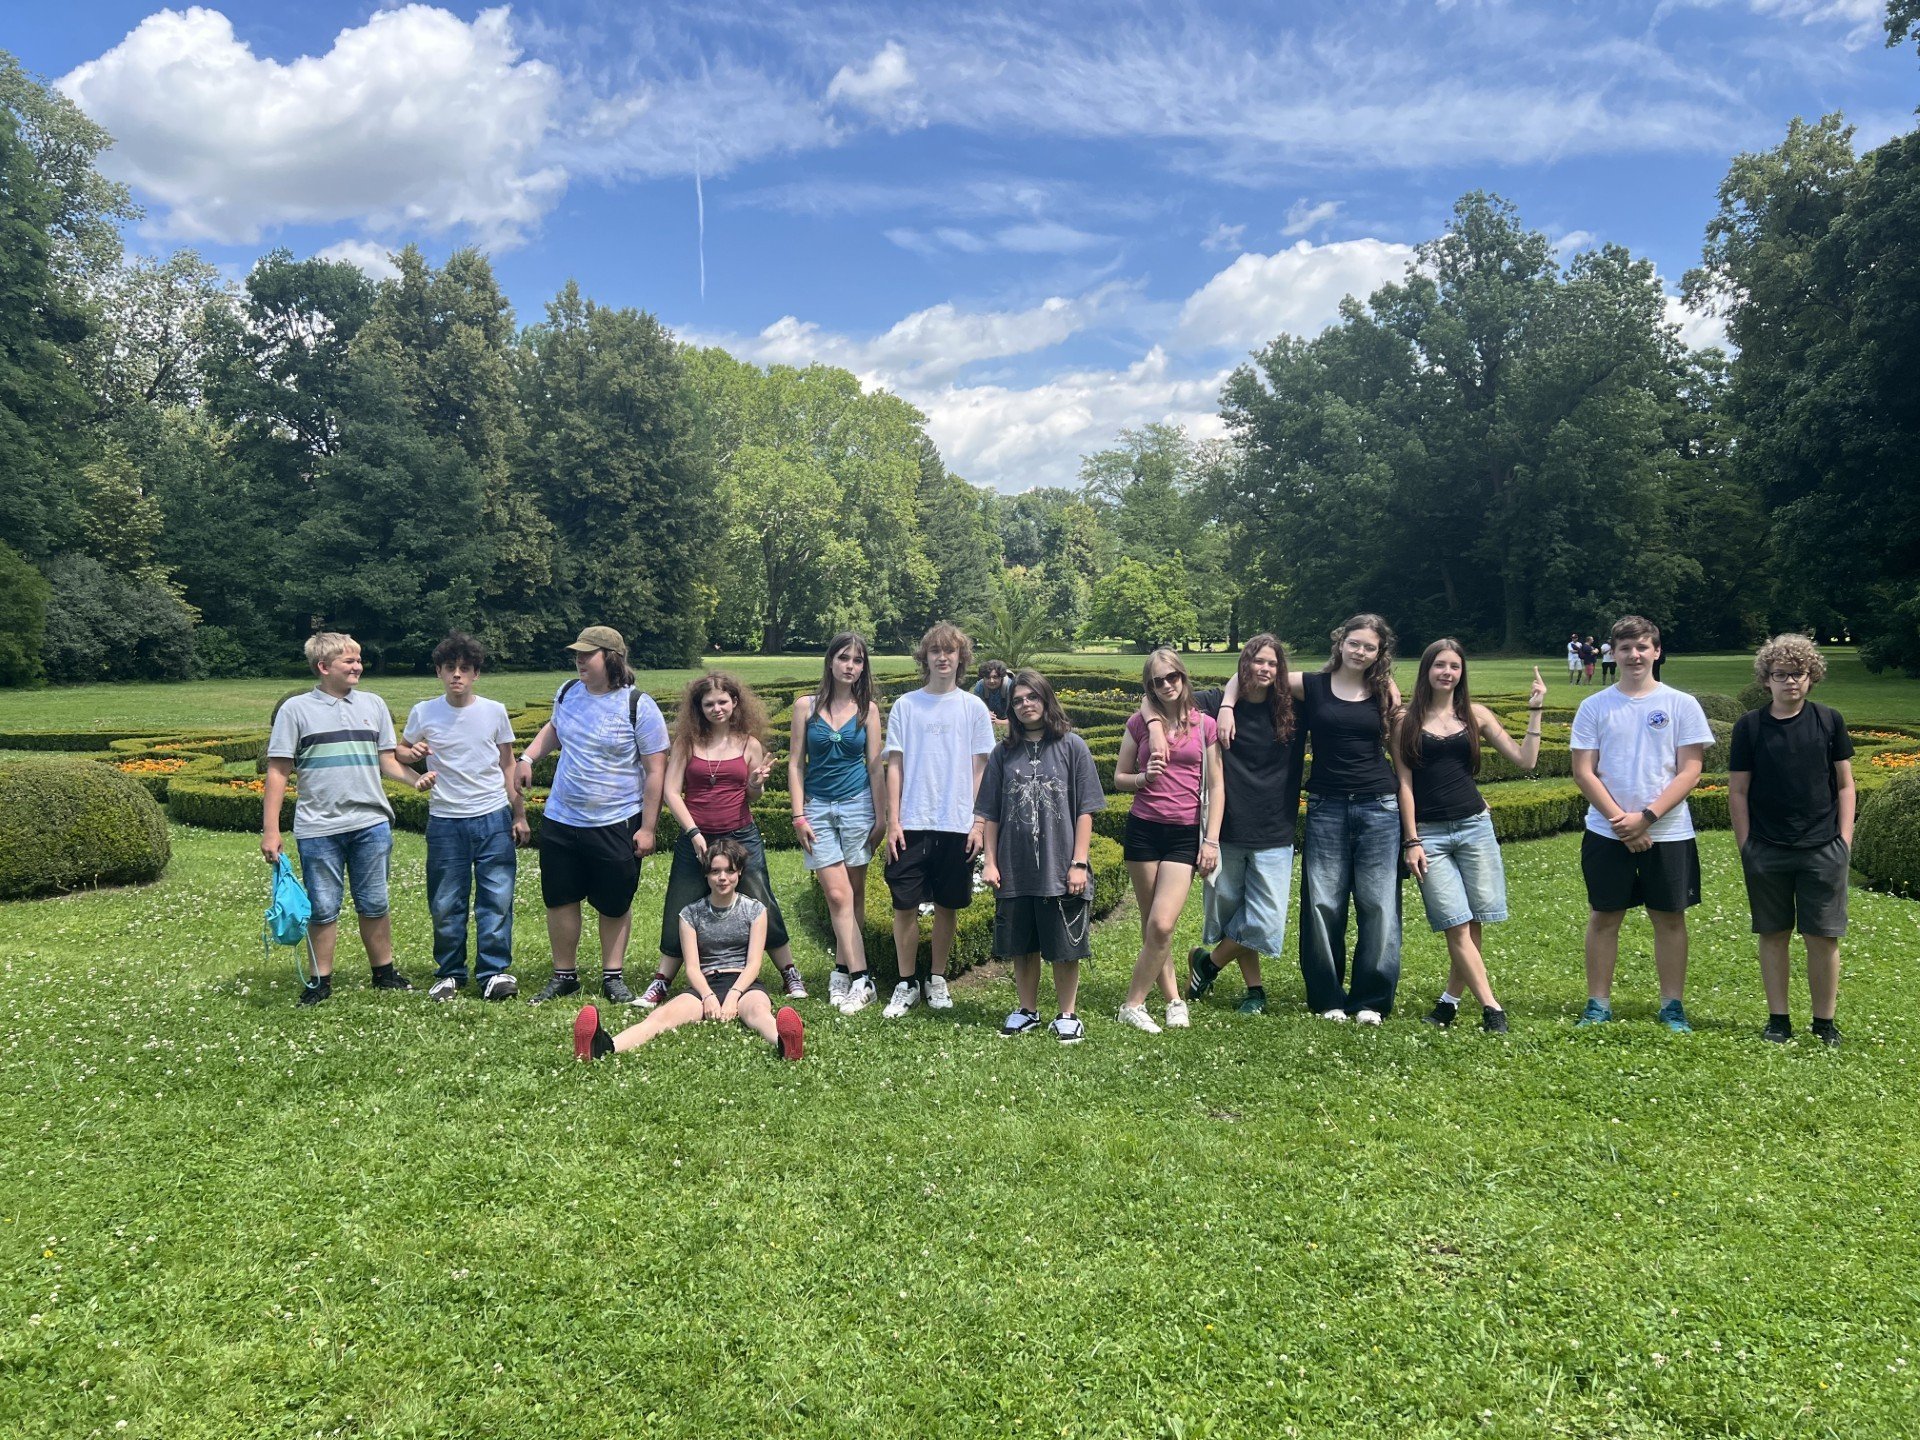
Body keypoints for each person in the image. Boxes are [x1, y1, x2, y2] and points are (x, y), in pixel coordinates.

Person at [1220, 614, 1405, 1022]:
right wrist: (1227, 707)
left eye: (1369, 647)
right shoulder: (1313, 685)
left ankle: (1371, 1000)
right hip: (1326, 806)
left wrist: (1390, 684)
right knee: (1322, 904)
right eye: (1354, 643)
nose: (1360, 652)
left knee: (1379, 905)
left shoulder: (1382, 691)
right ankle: (1327, 997)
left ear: (1379, 653)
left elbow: (1400, 753)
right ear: (1340, 642)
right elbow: (1251, 673)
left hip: (1378, 806)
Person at [262, 631, 435, 1006]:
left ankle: (384, 974)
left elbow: (387, 760)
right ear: (324, 667)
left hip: (370, 823)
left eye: (358, 660)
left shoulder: (374, 704)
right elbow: (278, 771)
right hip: (318, 827)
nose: (358, 666)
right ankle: (319, 982)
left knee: (374, 902)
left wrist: (415, 779)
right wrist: (271, 831)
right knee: (323, 908)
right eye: (349, 661)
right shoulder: (295, 710)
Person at [1569, 615, 1713, 1032]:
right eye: (1625, 648)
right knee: (1604, 916)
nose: (1634, 655)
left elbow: (1690, 770)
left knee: (1669, 918)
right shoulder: (1595, 706)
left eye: (1642, 647)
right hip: (1606, 831)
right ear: (1613, 653)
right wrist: (1622, 823)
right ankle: (1598, 1004)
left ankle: (1672, 1006)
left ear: (1657, 651)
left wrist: (1646, 818)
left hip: (1668, 831)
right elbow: (1583, 771)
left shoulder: (1681, 704)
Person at [1394, 646, 1547, 1033]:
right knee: (1455, 922)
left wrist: (1535, 711)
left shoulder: (1476, 715)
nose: (1447, 672)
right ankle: (1492, 1008)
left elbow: (1525, 760)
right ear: (1426, 669)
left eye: (1454, 666)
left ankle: (1448, 1004)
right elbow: (1404, 785)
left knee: (1473, 921)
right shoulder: (1405, 721)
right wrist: (1411, 840)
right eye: (1439, 665)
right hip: (1429, 834)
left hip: (1475, 826)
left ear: (1462, 672)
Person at [514, 626, 669, 1007]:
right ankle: (564, 975)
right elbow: (555, 728)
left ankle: (612, 976)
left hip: (616, 820)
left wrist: (648, 827)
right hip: (562, 817)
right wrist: (528, 757)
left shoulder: (638, 705)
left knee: (614, 901)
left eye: (587, 654)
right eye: (577, 654)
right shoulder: (568, 692)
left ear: (611, 659)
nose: (579, 660)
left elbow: (655, 771)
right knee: (560, 898)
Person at [639, 672, 806, 1006]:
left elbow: (752, 796)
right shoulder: (687, 743)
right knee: (680, 903)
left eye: (722, 702)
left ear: (735, 702)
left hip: (740, 835)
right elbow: (671, 791)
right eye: (708, 704)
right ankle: (661, 981)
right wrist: (693, 832)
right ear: (698, 708)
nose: (716, 709)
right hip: (696, 837)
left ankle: (789, 972)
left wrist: (755, 783)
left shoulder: (749, 744)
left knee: (762, 899)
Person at [1728, 635, 1855, 1046]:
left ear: (1811, 676)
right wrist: (1746, 844)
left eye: (1798, 674)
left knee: (1823, 936)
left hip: (1823, 846)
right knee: (1774, 934)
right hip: (1766, 847)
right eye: (1780, 675)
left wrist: (1844, 840)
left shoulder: (1829, 720)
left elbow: (1845, 785)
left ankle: (1824, 1023)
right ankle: (1778, 1020)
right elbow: (1738, 791)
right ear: (1766, 679)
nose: (1790, 682)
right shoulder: (1750, 726)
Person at [573, 838, 804, 1062]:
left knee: (759, 1013)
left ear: (740, 872)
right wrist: (708, 997)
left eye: (730, 871)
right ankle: (604, 1046)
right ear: (706, 874)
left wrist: (734, 995)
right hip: (704, 984)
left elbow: (754, 963)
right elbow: (692, 967)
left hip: (744, 984)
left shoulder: (755, 910)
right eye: (715, 871)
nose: (723, 877)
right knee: (661, 1017)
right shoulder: (690, 914)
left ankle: (785, 1044)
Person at [976, 669, 1106, 1043]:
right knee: (1022, 944)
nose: (1025, 705)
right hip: (1015, 866)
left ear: (1046, 699)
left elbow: (1085, 810)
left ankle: (1067, 1014)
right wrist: (990, 861)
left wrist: (1079, 862)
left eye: (1032, 697)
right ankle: (1027, 1009)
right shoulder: (1003, 753)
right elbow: (990, 813)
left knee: (1065, 946)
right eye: (1017, 700)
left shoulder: (1073, 747)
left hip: (1061, 865)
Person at [399, 631, 528, 1003]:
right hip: (445, 820)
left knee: (497, 899)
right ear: (439, 672)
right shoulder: (424, 711)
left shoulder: (494, 711)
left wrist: (519, 814)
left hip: (492, 816)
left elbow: (508, 764)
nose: (457, 674)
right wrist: (412, 755)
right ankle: (449, 973)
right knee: (445, 902)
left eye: (465, 668)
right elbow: (400, 752)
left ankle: (494, 973)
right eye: (450, 668)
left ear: (476, 674)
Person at [1182, 634, 1306, 1016]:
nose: (1265, 669)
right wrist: (1226, 704)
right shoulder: (1212, 703)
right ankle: (1255, 990)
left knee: (1264, 918)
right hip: (1228, 829)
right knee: (1236, 914)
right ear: (1244, 663)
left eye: (1272, 663)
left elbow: (1335, 684)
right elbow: (1157, 699)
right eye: (1258, 661)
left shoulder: (1292, 708)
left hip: (1275, 828)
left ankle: (1208, 964)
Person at [881, 622, 997, 1017]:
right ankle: (906, 982)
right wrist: (893, 821)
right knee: (904, 905)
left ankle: (937, 977)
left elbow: (981, 769)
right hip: (911, 823)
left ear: (961, 659)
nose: (943, 657)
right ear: (925, 658)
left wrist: (977, 823)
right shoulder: (906, 705)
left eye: (950, 651)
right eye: (935, 651)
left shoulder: (973, 707)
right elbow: (894, 765)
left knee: (949, 905)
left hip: (957, 824)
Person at [1114, 648, 1223, 1033]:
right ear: (1150, 686)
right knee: (1152, 926)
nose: (1166, 685)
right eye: (1157, 681)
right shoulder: (1139, 723)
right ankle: (1175, 1000)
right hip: (1144, 829)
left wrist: (1211, 841)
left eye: (1171, 677)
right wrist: (1144, 778)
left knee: (1162, 924)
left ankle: (1132, 1003)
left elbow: (1217, 785)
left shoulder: (1204, 724)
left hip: (1183, 833)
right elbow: (1119, 777)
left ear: (1183, 676)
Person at [790, 633, 887, 1013]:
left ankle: (842, 970)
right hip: (817, 808)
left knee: (854, 893)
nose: (850, 666)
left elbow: (875, 768)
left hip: (858, 806)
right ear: (830, 661)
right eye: (844, 657)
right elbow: (796, 764)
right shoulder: (805, 706)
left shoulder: (868, 711)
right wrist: (798, 814)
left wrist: (882, 817)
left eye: (858, 660)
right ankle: (863, 978)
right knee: (837, 894)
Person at [973, 659, 1013, 730]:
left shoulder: (1009, 687)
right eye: (988, 677)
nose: (991, 681)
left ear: (1001, 677)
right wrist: (984, 714)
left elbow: (1018, 718)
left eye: (995, 677)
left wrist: (998, 722)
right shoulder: (979, 688)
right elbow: (975, 713)